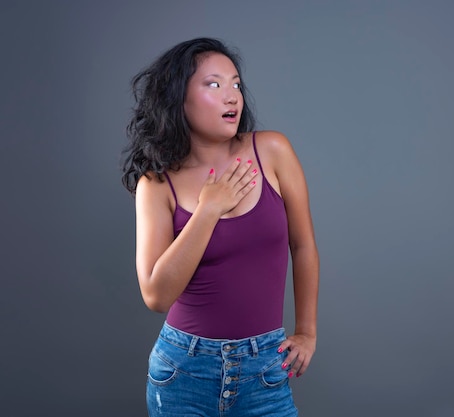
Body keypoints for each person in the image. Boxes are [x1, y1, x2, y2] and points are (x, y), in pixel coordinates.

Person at [121, 37, 319, 416]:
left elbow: (304, 245)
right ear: (179, 96)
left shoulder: (273, 151)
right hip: (184, 371)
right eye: (213, 84)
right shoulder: (157, 184)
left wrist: (307, 331)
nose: (232, 96)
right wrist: (208, 211)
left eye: (236, 84)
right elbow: (156, 295)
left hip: (265, 368)